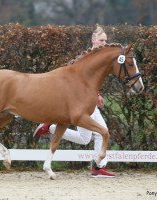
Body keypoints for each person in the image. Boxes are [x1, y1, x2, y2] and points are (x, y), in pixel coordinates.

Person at [33, 25, 115, 178]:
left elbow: (91, 82)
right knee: (102, 132)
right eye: (101, 40)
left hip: (87, 101)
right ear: (93, 40)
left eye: (105, 40)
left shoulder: (98, 56)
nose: (104, 43)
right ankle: (98, 168)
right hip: (81, 103)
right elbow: (79, 78)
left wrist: (97, 94)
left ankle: (50, 127)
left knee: (85, 139)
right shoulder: (90, 56)